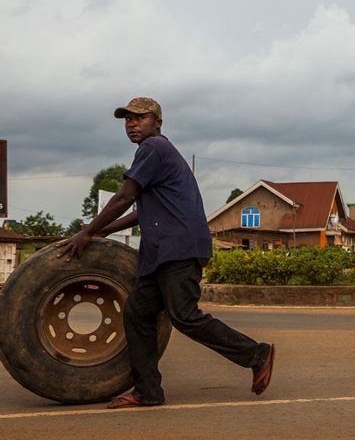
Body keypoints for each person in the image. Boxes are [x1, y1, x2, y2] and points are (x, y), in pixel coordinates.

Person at [57, 97, 275, 408]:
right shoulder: (155, 154)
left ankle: (257, 354)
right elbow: (139, 210)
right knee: (137, 313)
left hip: (178, 247)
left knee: (184, 316)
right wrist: (102, 231)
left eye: (140, 118)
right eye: (127, 120)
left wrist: (87, 231)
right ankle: (148, 390)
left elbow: (124, 197)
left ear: (157, 123)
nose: (132, 124)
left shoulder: (154, 147)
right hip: (161, 251)